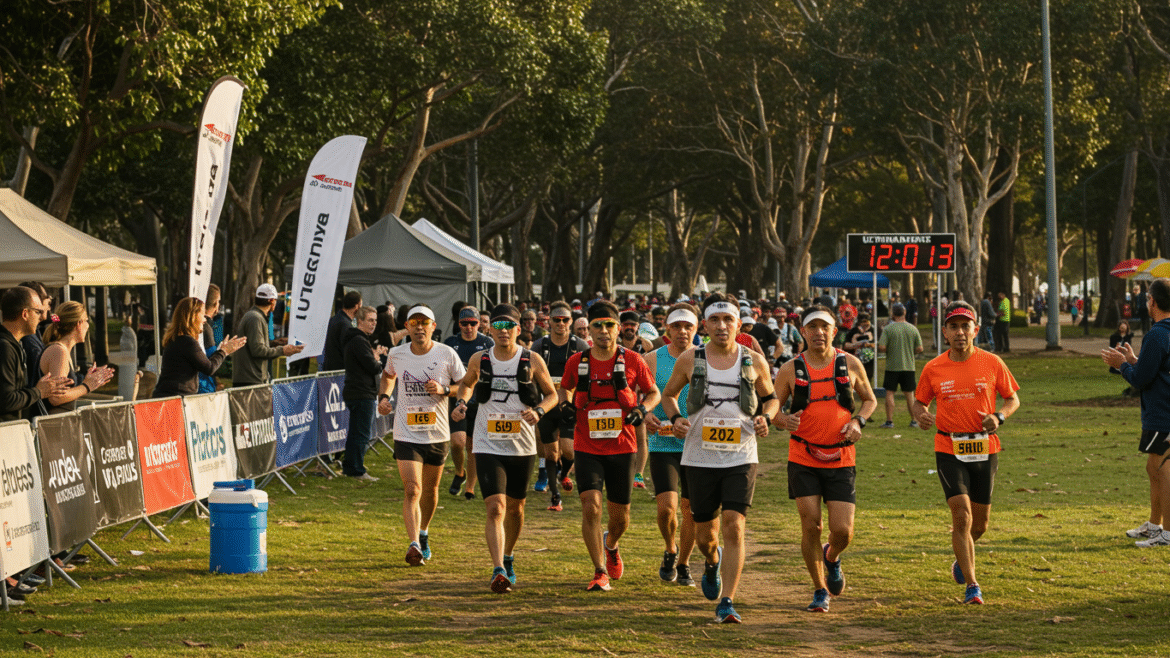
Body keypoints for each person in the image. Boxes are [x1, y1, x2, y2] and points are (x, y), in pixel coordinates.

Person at [659, 293, 779, 623]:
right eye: (715, 320)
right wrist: (675, 419)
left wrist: (766, 418)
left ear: (739, 324)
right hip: (698, 458)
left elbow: (772, 400)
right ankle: (712, 562)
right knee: (704, 537)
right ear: (706, 325)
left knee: (734, 526)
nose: (722, 326)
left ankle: (727, 601)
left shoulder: (753, 360)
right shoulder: (690, 359)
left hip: (741, 457)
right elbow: (669, 396)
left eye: (728, 320)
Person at [913, 301, 1020, 605]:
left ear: (975, 329)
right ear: (944, 332)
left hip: (985, 446)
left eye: (965, 326)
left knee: (980, 524)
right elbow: (920, 402)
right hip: (949, 446)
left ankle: (962, 557)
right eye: (953, 327)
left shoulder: (992, 362)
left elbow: (1012, 399)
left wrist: (999, 417)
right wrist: (921, 414)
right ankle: (973, 585)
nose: (960, 332)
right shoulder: (933, 368)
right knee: (961, 514)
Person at [773, 305, 877, 614]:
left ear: (834, 331)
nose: (819, 332)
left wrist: (858, 422)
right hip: (803, 455)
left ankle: (831, 558)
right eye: (812, 327)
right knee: (811, 526)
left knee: (843, 530)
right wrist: (783, 420)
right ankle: (819, 589)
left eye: (825, 327)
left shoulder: (851, 363)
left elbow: (870, 399)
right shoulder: (790, 368)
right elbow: (771, 409)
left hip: (841, 456)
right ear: (802, 332)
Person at [452, 304, 558, 592]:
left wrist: (539, 411)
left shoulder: (532, 359)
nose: (502, 332)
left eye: (508, 326)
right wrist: (462, 402)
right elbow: (466, 385)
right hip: (487, 442)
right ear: (491, 330)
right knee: (495, 508)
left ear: (518, 329)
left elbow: (552, 395)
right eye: (497, 326)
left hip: (522, 446)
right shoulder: (479, 358)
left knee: (515, 509)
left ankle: (509, 555)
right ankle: (498, 568)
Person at [559, 300, 659, 592]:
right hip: (587, 445)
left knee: (620, 517)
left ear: (618, 329)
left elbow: (652, 391)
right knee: (590, 507)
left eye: (609, 325)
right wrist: (565, 403)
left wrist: (642, 409)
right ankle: (599, 569)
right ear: (589, 330)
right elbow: (564, 386)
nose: (604, 331)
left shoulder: (632, 360)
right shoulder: (577, 362)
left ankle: (612, 544)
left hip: (623, 447)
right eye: (597, 326)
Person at [378, 304, 466, 565]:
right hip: (406, 431)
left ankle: (424, 531)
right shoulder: (397, 353)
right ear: (406, 327)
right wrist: (384, 397)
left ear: (433, 326)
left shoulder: (447, 353)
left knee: (430, 490)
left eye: (424, 322)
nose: (419, 327)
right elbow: (388, 375)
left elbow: (464, 385)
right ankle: (414, 543)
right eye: (414, 322)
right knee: (413, 489)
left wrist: (443, 389)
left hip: (437, 433)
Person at [1103, 278, 1170, 547]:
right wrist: (1134, 360)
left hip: (1161, 413)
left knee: (1163, 471)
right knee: (1153, 468)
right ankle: (1155, 525)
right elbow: (1156, 369)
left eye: (1147, 298)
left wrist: (1122, 365)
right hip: (1162, 411)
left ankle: (1165, 533)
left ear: (1152, 301)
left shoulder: (1157, 333)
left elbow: (1141, 380)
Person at [642, 303, 700, 587]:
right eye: (677, 326)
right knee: (667, 509)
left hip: (698, 445)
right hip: (663, 443)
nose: (682, 332)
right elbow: (641, 394)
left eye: (688, 326)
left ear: (696, 329)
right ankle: (670, 547)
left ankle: (685, 563)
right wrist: (646, 414)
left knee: (690, 509)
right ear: (667, 329)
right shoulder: (652, 359)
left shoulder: (706, 358)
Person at [531, 301, 589, 511]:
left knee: (568, 451)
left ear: (571, 322)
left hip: (569, 407)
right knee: (550, 453)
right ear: (549, 323)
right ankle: (555, 497)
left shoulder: (580, 346)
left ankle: (564, 474)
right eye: (557, 320)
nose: (561, 324)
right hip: (546, 407)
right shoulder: (540, 346)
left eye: (565, 320)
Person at [443, 306, 493, 499]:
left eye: (473, 323)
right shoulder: (450, 343)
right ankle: (459, 472)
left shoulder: (487, 343)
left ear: (479, 324)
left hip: (479, 400)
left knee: (472, 445)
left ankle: (470, 487)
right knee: (457, 442)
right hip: (458, 399)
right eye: (464, 323)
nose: (468, 327)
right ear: (459, 324)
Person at [0, 286, 69, 422]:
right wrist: (38, 391)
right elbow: (6, 401)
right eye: (38, 312)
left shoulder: (14, 344)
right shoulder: (5, 347)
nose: (42, 317)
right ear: (25, 314)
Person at [36, 301, 115, 414]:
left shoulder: (62, 351)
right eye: (86, 321)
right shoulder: (59, 351)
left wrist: (88, 380)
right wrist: (87, 386)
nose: (88, 325)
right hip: (53, 426)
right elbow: (56, 398)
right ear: (79, 323)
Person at [342, 306, 388, 481]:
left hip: (359, 390)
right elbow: (373, 367)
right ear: (359, 320)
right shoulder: (358, 340)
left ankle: (350, 466)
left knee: (356, 431)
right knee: (361, 433)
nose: (373, 324)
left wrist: (374, 358)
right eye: (370, 320)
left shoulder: (358, 339)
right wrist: (378, 359)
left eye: (375, 320)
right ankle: (357, 470)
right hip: (361, 392)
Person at [232, 283, 304, 386]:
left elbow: (255, 345)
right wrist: (283, 350)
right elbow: (258, 350)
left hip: (251, 380)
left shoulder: (255, 316)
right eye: (276, 300)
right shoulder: (255, 318)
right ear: (271, 300)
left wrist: (275, 343)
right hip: (250, 382)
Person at [877, 303, 924, 428]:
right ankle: (914, 420)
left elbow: (881, 347)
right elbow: (920, 348)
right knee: (909, 394)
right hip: (908, 366)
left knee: (890, 393)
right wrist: (910, 351)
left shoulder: (888, 329)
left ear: (893, 314)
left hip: (892, 367)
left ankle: (889, 421)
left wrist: (889, 349)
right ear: (904, 313)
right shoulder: (913, 328)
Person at [323, 291, 363, 371]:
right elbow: (348, 351)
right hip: (339, 372)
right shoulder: (345, 325)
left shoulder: (335, 319)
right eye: (361, 305)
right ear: (356, 306)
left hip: (330, 368)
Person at [843, 313, 875, 378]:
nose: (865, 324)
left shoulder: (873, 330)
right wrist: (856, 345)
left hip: (869, 361)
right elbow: (846, 345)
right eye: (863, 322)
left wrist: (869, 345)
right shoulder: (854, 331)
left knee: (868, 378)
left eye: (867, 321)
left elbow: (878, 344)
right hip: (856, 360)